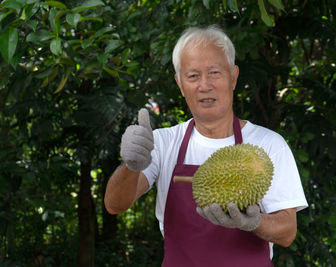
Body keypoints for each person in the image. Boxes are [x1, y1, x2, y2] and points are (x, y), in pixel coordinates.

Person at [104, 25, 308, 266]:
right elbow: (114, 204)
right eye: (192, 76)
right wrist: (132, 165)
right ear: (179, 83)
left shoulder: (269, 144)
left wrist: (254, 222)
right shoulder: (162, 142)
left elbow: (287, 233)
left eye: (214, 73)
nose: (204, 85)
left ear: (233, 77)